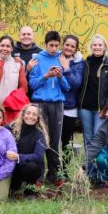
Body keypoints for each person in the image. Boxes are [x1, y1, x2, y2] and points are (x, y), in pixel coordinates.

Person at [28, 31, 70, 184]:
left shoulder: (61, 58)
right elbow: (32, 84)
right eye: (51, 45)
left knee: (54, 140)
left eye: (56, 45)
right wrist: (45, 76)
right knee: (40, 139)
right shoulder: (37, 59)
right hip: (40, 104)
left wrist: (60, 76)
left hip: (57, 104)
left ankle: (54, 174)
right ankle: (38, 176)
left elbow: (67, 87)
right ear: (45, 44)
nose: (53, 48)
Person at [77, 34, 108, 147]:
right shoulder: (86, 63)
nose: (97, 47)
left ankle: (99, 163)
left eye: (100, 45)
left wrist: (107, 107)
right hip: (85, 107)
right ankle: (89, 164)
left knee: (98, 136)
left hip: (101, 108)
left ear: (104, 47)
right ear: (91, 47)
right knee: (88, 136)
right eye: (94, 45)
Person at [6, 104, 48, 197]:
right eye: (28, 113)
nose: (31, 116)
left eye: (34, 114)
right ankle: (14, 185)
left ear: (37, 118)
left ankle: (30, 191)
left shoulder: (39, 134)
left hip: (27, 167)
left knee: (32, 167)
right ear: (23, 114)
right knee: (12, 188)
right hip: (10, 166)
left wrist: (18, 157)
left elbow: (38, 156)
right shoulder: (10, 127)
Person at [59, 34, 85, 159]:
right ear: (62, 45)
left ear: (76, 49)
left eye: (72, 46)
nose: (69, 48)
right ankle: (53, 171)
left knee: (67, 141)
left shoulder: (79, 64)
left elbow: (76, 83)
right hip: (55, 105)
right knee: (51, 140)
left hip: (70, 107)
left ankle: (65, 171)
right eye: (67, 45)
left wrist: (66, 68)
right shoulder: (55, 58)